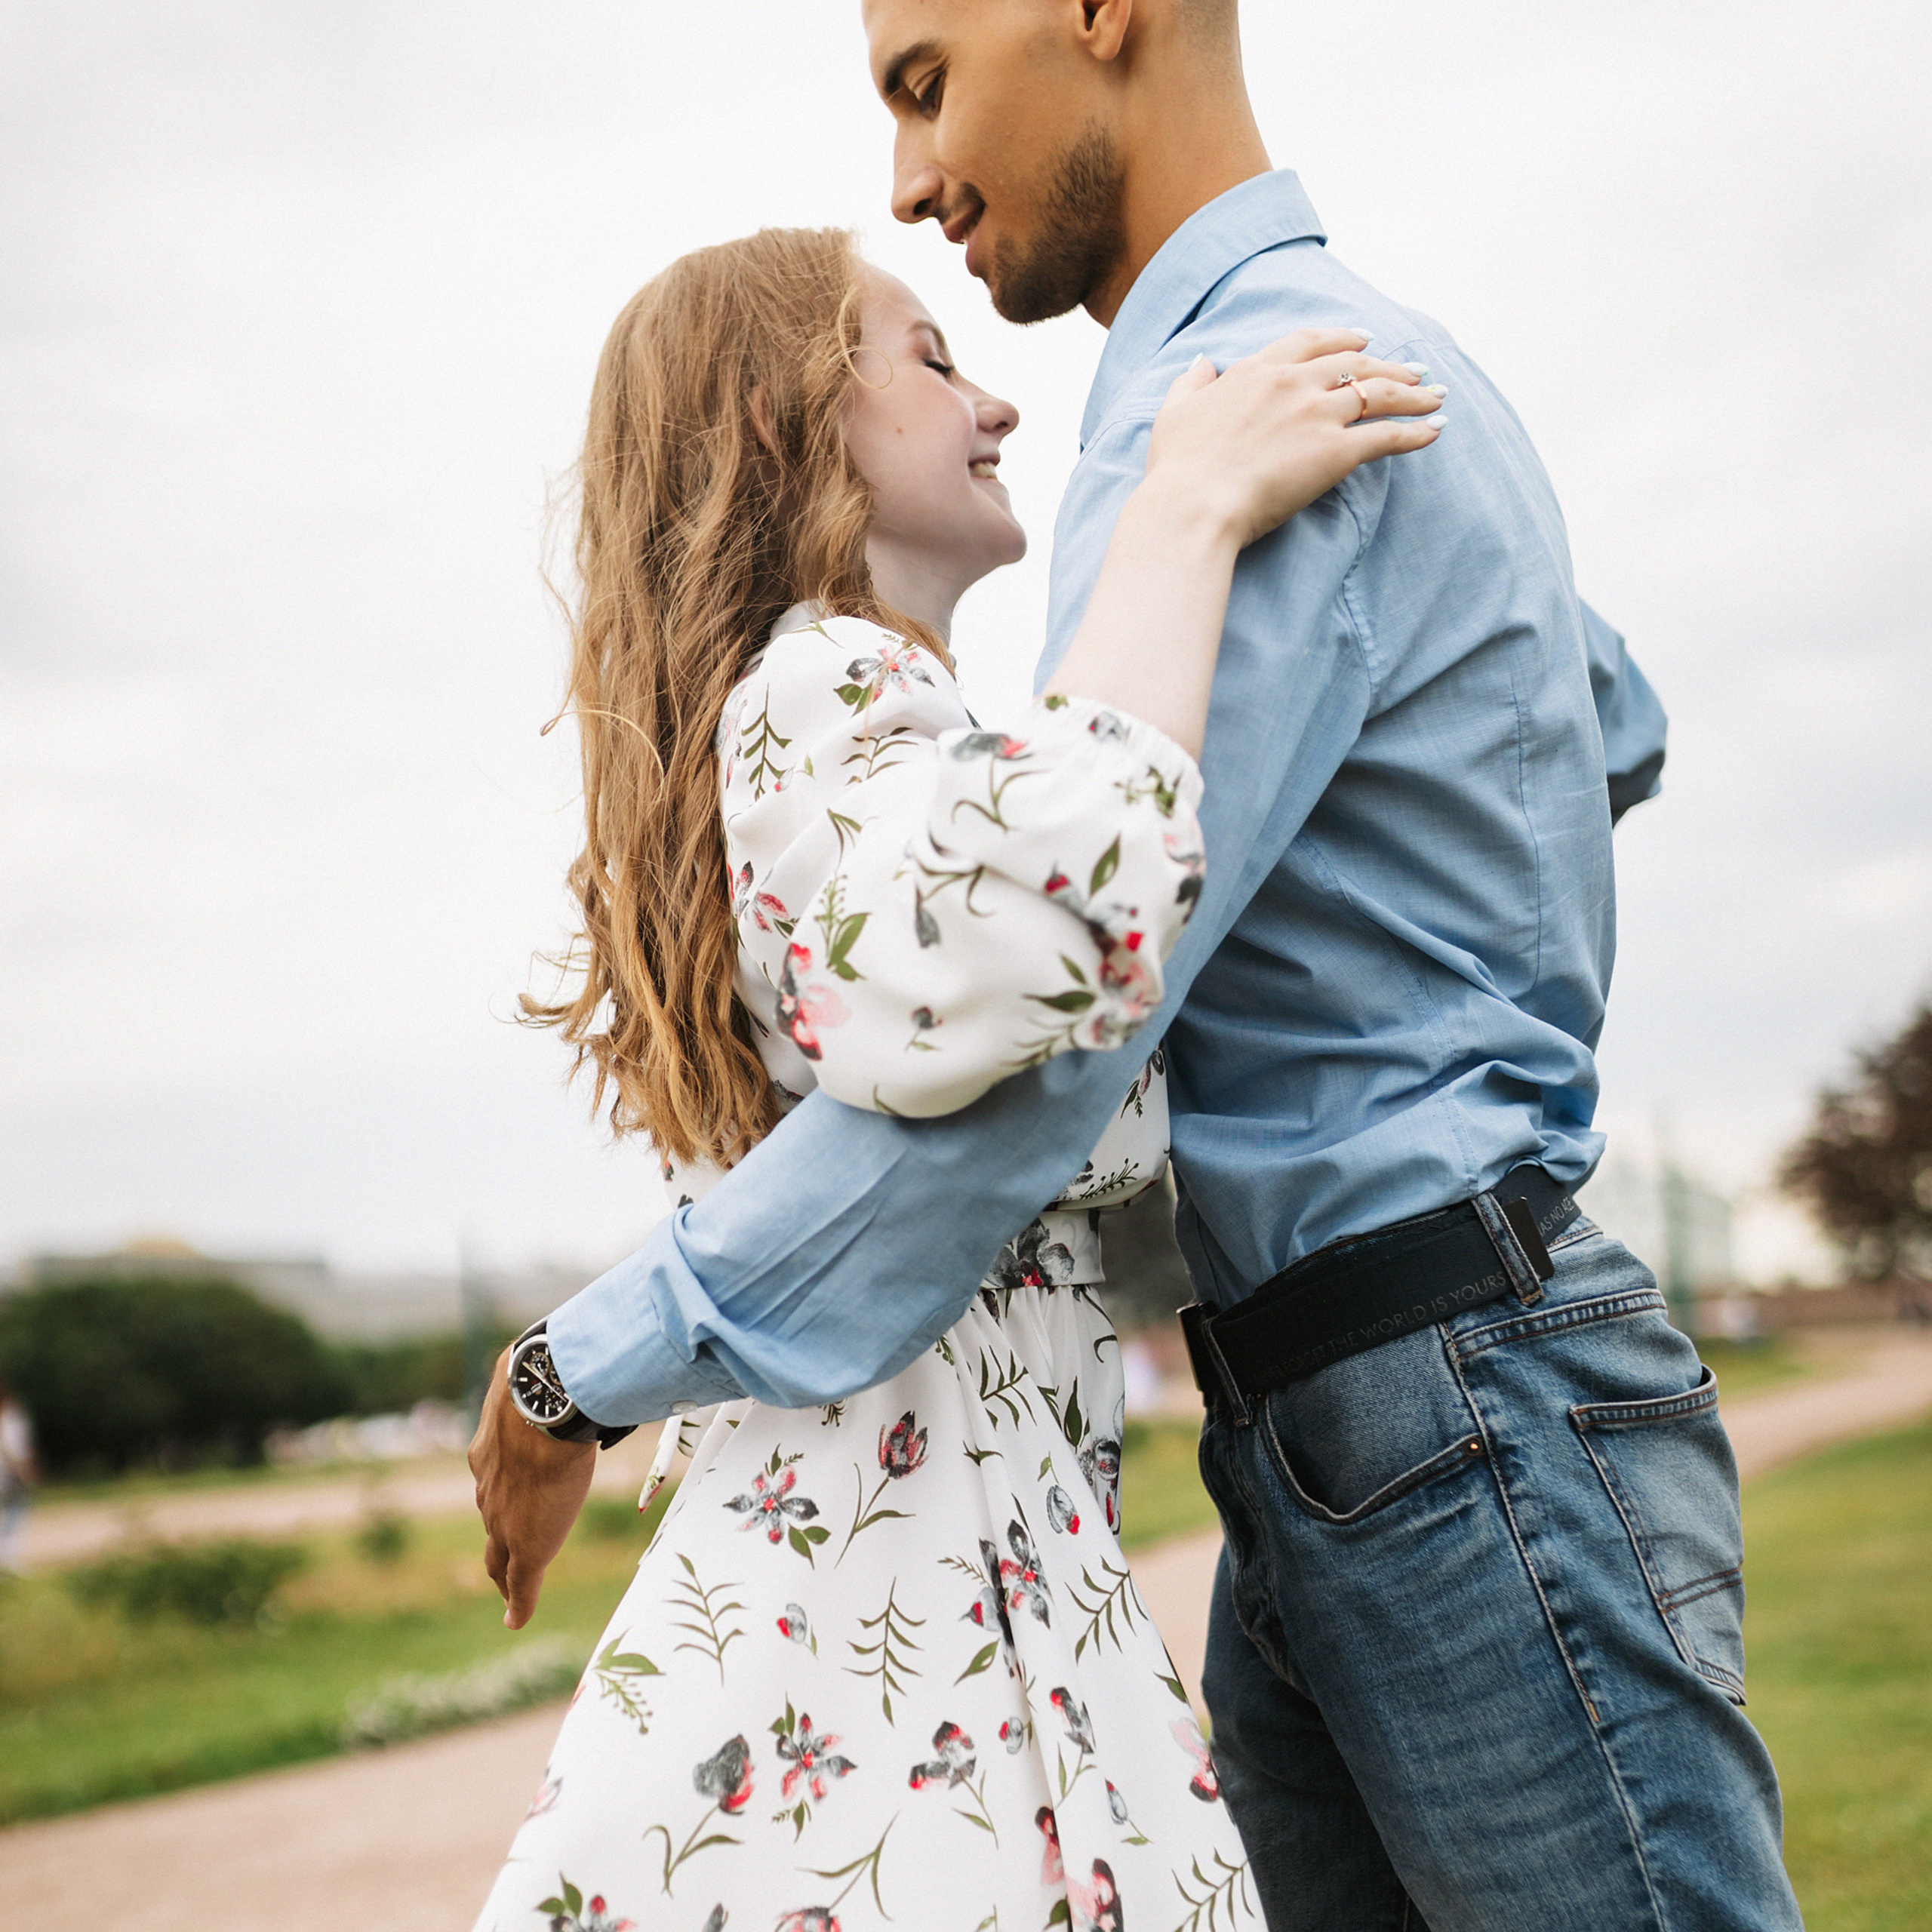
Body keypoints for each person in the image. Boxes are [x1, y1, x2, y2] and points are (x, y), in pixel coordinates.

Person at [473, 5, 1805, 1927]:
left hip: (1434, 1384)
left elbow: (1024, 1079)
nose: (912, 176)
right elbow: (1604, 717)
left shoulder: (1233, 414)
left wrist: (574, 1366)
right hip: (1359, 1405)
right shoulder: (1370, 365)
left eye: (922, 80)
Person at [469, 229, 1440, 1931]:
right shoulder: (822, 683)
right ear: (783, 425)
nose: (993, 398)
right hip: (911, 1560)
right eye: (926, 358)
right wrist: (1183, 515)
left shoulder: (852, 719)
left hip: (930, 1535)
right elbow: (1045, 913)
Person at [0, 1383, 37, 1574]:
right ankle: (8, 1562)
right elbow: (14, 1451)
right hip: (9, 1475)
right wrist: (24, 1473)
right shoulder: (10, 1420)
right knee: (14, 1516)